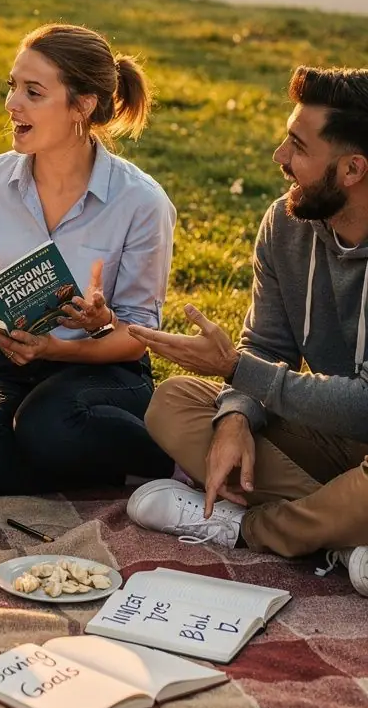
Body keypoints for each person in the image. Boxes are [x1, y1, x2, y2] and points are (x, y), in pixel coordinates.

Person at [0, 23, 176, 494]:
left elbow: (138, 335)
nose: (11, 103)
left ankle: (166, 460)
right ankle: (89, 470)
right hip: (11, 363)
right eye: (12, 86)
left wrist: (74, 339)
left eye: (33, 92)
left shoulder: (141, 201)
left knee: (48, 425)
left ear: (82, 105)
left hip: (104, 370)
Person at [126, 66, 368, 596]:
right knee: (176, 403)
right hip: (327, 441)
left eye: (298, 147)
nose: (279, 158)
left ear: (352, 169)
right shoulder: (286, 223)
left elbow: (365, 406)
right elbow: (265, 346)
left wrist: (236, 370)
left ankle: (249, 528)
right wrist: (236, 414)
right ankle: (343, 536)